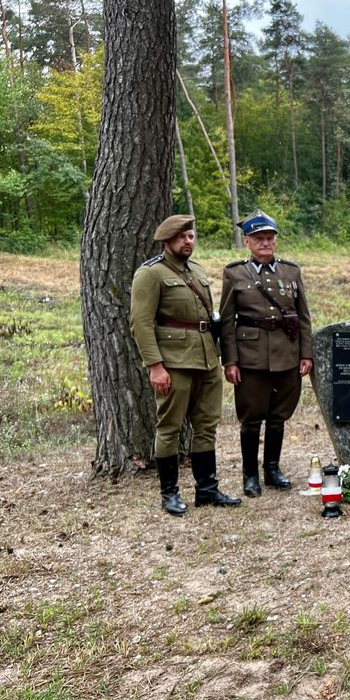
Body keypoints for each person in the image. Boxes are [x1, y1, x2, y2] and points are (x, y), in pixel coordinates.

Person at [130, 214, 241, 515]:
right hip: (174, 363)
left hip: (206, 359)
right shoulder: (150, 274)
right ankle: (169, 493)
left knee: (206, 426)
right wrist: (155, 365)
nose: (188, 241)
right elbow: (141, 323)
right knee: (170, 428)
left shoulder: (197, 270)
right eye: (181, 237)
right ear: (167, 240)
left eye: (191, 236)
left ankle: (207, 489)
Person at [219, 210, 313, 498]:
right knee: (251, 418)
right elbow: (226, 321)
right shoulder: (234, 273)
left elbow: (304, 317)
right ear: (247, 241)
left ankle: (272, 469)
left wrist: (305, 354)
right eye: (259, 238)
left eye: (270, 238)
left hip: (287, 354)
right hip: (251, 357)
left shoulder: (290, 272)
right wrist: (230, 360)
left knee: (278, 416)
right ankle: (250, 475)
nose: (265, 243)